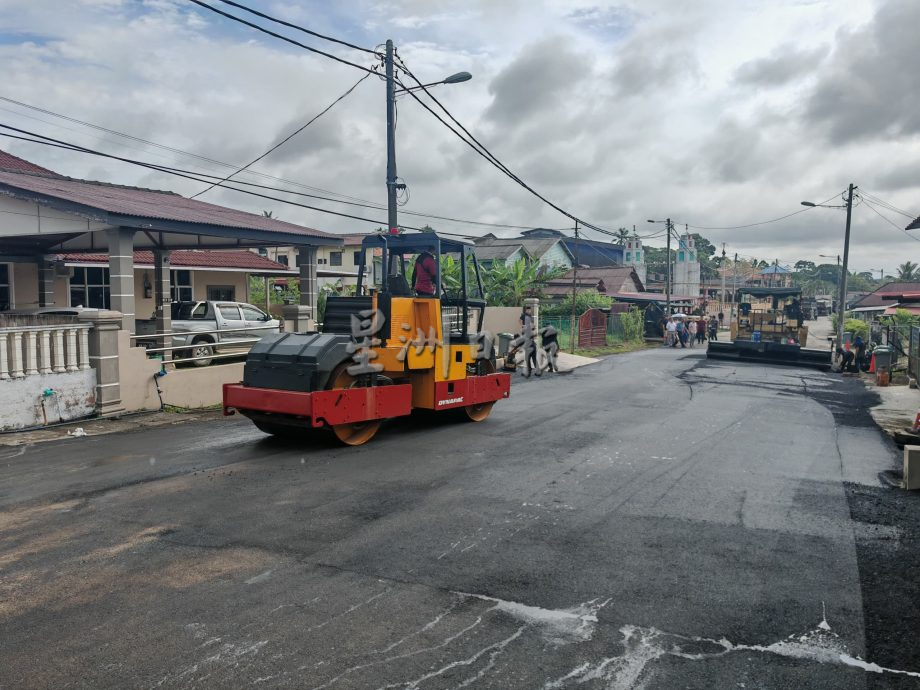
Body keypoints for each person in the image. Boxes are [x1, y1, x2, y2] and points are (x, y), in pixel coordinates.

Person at [518, 305, 539, 377]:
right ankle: (535, 371)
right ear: (526, 310)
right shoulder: (524, 315)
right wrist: (523, 325)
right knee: (532, 357)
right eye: (529, 310)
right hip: (531, 342)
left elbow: (532, 327)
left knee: (529, 358)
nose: (530, 311)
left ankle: (530, 371)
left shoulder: (530, 317)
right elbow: (520, 321)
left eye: (530, 310)